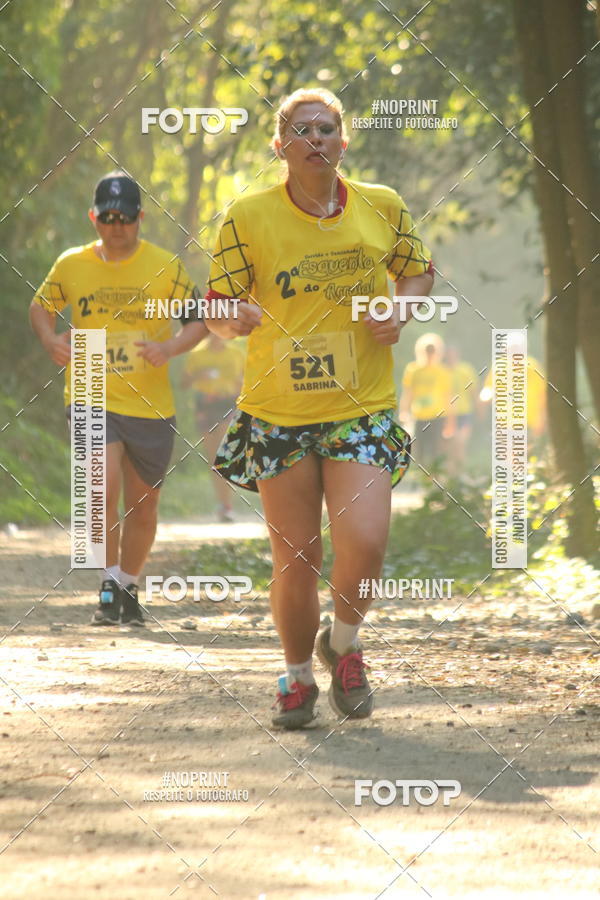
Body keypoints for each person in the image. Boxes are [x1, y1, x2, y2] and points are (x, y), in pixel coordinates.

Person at [203, 87, 434, 729]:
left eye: (326, 129)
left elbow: (417, 271)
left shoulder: (380, 206)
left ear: (343, 140)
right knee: (297, 557)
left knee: (366, 539)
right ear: (280, 147)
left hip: (361, 404)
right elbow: (216, 306)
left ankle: (344, 643)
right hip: (279, 409)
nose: (315, 141)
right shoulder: (247, 216)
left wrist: (402, 307)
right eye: (301, 131)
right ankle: (298, 677)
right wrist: (234, 317)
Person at [29, 171, 207, 626]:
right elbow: (40, 306)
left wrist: (168, 348)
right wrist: (50, 341)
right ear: (93, 217)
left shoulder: (165, 266)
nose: (116, 226)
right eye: (106, 218)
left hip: (149, 400)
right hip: (88, 384)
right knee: (100, 486)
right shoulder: (71, 264)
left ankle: (128, 583)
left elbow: (198, 321)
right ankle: (108, 583)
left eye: (125, 218)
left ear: (140, 217)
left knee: (143, 505)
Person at [182, 333, 245, 521]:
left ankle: (227, 505)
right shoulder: (196, 354)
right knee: (214, 458)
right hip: (205, 406)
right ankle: (222, 504)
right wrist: (197, 376)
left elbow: (244, 380)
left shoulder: (236, 353)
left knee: (225, 453)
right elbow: (183, 383)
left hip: (227, 403)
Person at [400, 333, 454, 469]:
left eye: (433, 351)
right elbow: (407, 393)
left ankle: (435, 477)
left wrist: (450, 421)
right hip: (419, 416)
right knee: (421, 450)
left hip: (438, 416)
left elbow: (448, 397)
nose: (430, 354)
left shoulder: (443, 371)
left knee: (436, 449)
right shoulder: (413, 370)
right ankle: (424, 477)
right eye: (427, 350)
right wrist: (404, 411)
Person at [445, 345, 478, 477]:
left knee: (461, 443)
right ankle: (450, 476)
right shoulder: (442, 371)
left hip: (465, 412)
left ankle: (460, 474)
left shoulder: (466, 370)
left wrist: (479, 410)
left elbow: (474, 391)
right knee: (449, 447)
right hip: (447, 414)